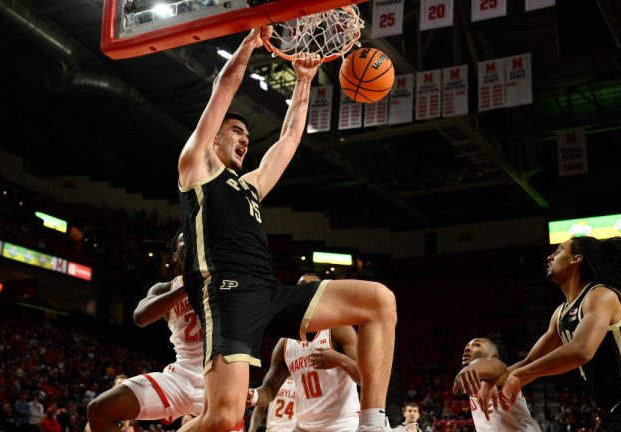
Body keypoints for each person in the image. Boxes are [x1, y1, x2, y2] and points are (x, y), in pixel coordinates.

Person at [176, 27, 397, 432]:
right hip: (228, 295)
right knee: (223, 418)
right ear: (212, 138)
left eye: (246, 134)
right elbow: (224, 87)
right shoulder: (197, 168)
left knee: (379, 300)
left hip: (270, 291)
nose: (244, 139)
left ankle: (373, 423)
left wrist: (304, 80)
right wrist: (249, 44)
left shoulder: (250, 187)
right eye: (235, 132)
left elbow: (290, 137)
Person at [483, 237, 621, 431]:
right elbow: (529, 361)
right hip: (616, 408)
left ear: (576, 259)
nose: (550, 257)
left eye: (558, 251)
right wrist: (491, 382)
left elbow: (581, 351)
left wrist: (519, 375)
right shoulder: (560, 314)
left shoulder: (600, 295)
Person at [88, 231, 207, 431]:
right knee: (99, 409)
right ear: (176, 255)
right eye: (185, 240)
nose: (192, 243)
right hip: (179, 377)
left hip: (215, 380)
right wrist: (188, 287)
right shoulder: (164, 288)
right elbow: (140, 317)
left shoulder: (220, 281)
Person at [246, 273, 360, 432]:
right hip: (303, 427)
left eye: (311, 288)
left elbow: (364, 377)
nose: (306, 292)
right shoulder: (284, 344)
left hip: (342, 425)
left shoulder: (338, 330)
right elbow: (270, 390)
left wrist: (338, 359)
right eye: (301, 288)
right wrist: (253, 395)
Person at [452, 337, 540, 432]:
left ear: (494, 356)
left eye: (477, 345)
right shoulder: (478, 380)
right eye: (466, 347)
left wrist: (470, 369)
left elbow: (498, 366)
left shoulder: (498, 376)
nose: (467, 349)